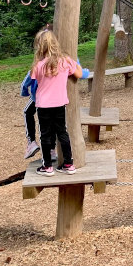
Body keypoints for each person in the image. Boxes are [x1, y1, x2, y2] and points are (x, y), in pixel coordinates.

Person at [31, 28, 83, 176]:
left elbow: (35, 83)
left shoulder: (38, 66)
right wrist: (75, 62)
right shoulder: (65, 62)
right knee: (62, 132)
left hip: (43, 105)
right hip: (60, 103)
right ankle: (68, 163)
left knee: (45, 135)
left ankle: (47, 166)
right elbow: (78, 74)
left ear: (40, 46)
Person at [20, 71, 40, 160]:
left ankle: (31, 142)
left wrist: (24, 92)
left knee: (27, 112)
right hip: (57, 99)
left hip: (38, 96)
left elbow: (26, 82)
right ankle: (52, 150)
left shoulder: (38, 65)